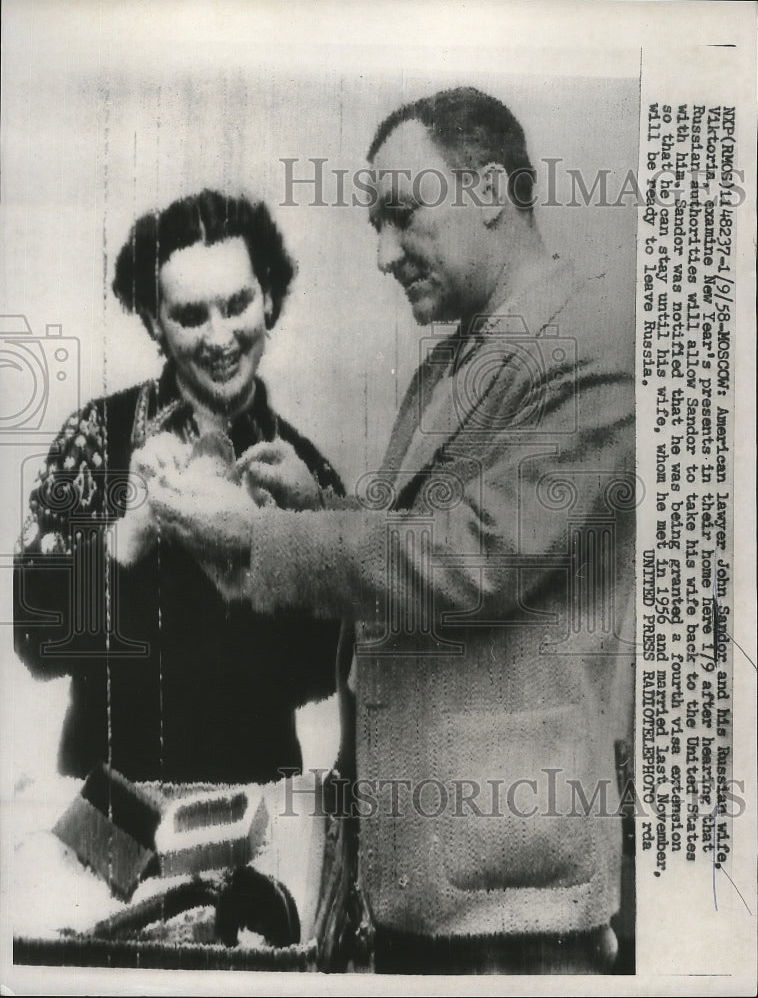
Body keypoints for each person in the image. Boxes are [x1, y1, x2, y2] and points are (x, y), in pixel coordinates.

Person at [148, 89, 636, 973]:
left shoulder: (589, 348)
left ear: (489, 191)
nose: (382, 254)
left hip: (510, 899)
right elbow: (414, 537)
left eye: (402, 216)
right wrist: (309, 509)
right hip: (434, 878)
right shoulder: (464, 350)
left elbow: (464, 562)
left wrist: (246, 537)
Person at [13, 189, 343, 785]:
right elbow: (35, 642)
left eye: (237, 304)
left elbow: (330, 670)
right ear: (153, 323)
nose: (219, 339)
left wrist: (294, 533)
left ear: (268, 299)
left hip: (255, 815)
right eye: (190, 316)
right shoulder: (95, 437)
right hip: (109, 814)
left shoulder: (302, 470)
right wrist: (129, 532)